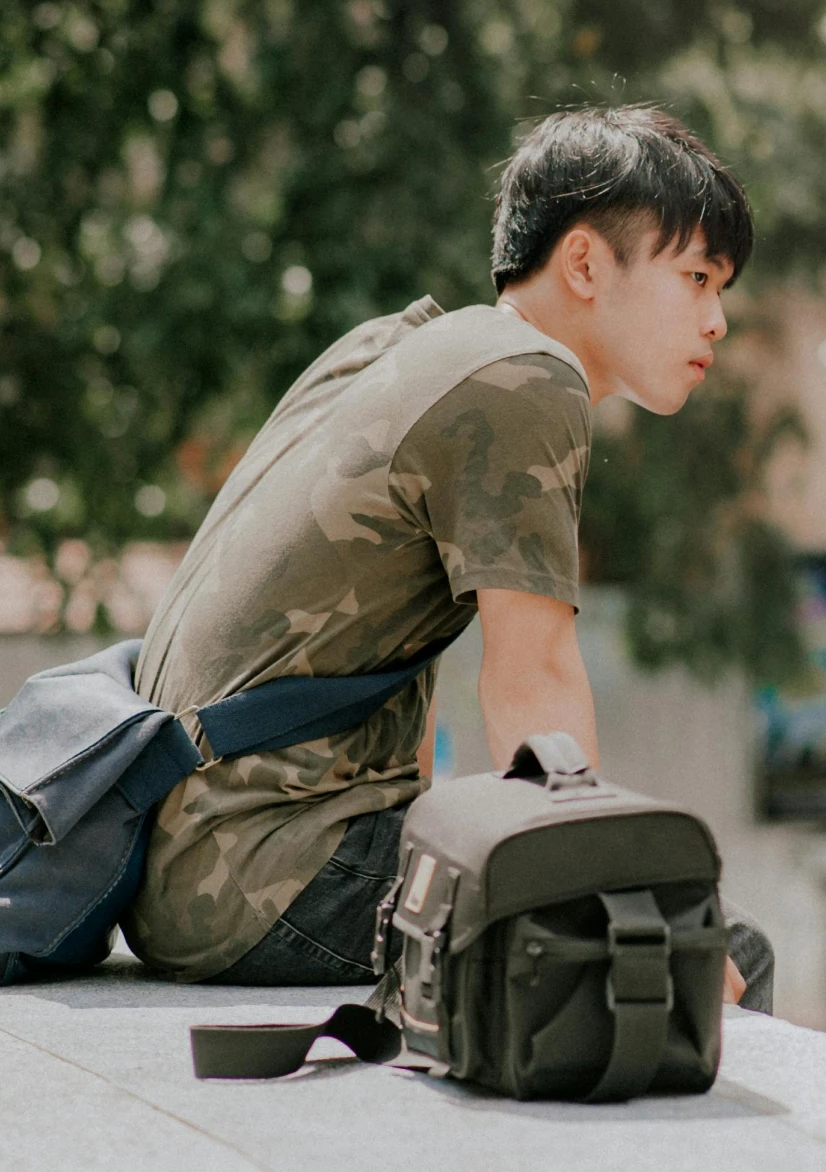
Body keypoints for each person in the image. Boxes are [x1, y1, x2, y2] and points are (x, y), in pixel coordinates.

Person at [122, 104, 773, 1009]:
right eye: (698, 278)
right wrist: (618, 899)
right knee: (710, 945)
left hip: (186, 860)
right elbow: (533, 681)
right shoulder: (526, 380)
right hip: (265, 879)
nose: (717, 321)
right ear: (584, 263)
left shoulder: (402, 345)